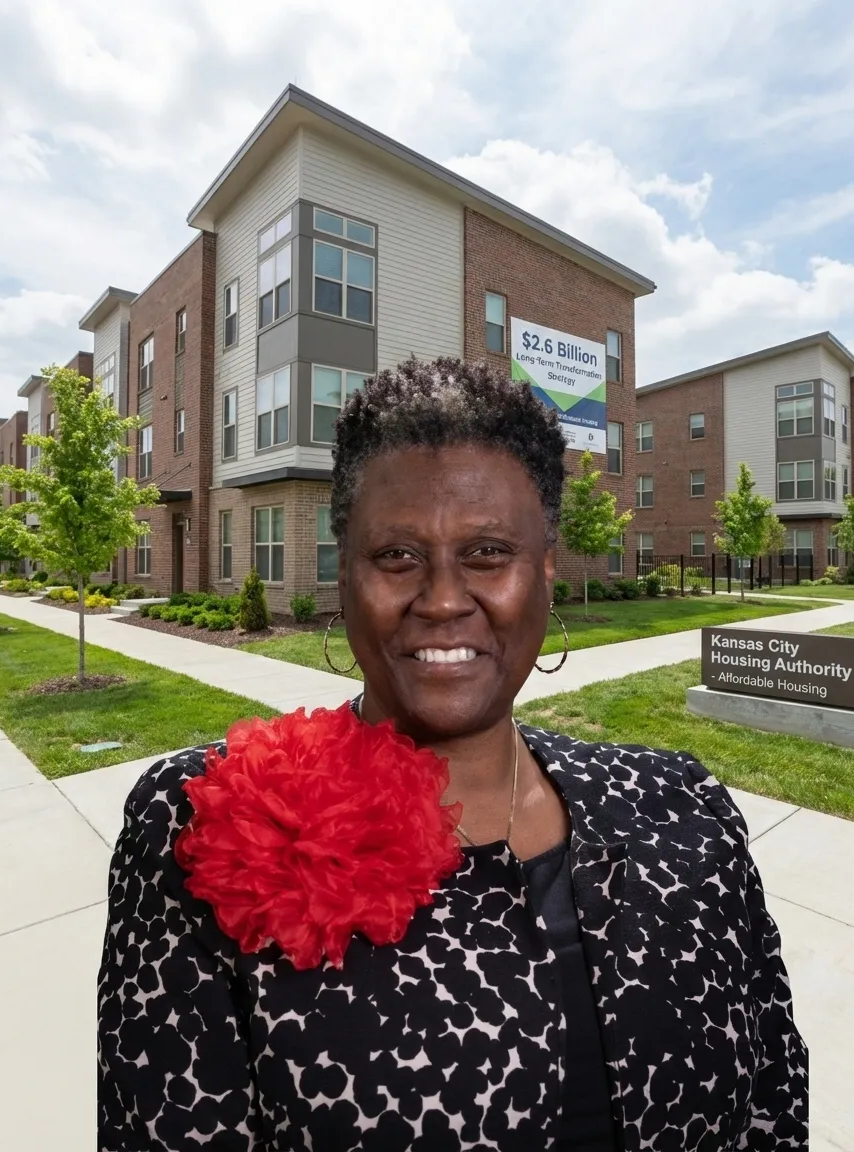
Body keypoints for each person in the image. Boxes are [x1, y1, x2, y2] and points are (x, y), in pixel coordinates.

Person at [98, 357, 808, 1151]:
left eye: (488, 553)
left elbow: (773, 1107)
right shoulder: (199, 823)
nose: (441, 599)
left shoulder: (684, 811)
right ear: (345, 574)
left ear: (545, 573)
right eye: (396, 557)